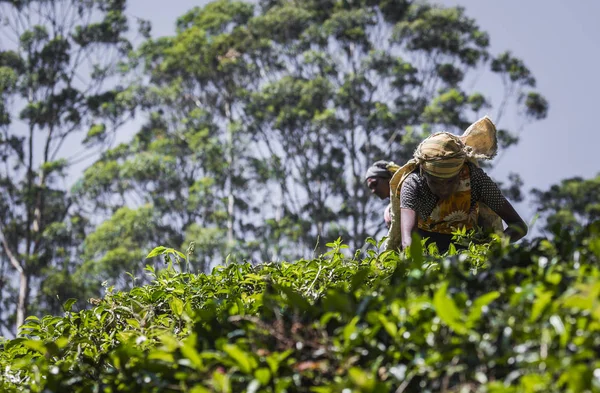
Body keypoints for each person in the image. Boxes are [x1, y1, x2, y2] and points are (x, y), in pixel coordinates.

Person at [385, 116, 527, 252]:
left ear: (460, 173)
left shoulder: (475, 179)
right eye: (435, 182)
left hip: (467, 247)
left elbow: (518, 226)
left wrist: (490, 248)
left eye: (450, 181)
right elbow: (408, 242)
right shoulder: (413, 184)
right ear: (424, 174)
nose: (443, 189)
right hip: (425, 249)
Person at [365, 160, 398, 227]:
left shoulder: (409, 197)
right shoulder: (388, 212)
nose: (373, 191)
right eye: (370, 188)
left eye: (375, 184)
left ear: (389, 180)